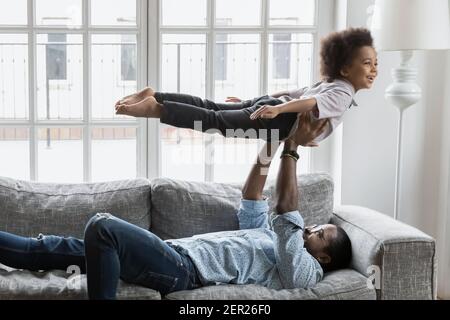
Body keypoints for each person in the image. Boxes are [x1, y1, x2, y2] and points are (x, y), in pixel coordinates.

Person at [0, 115, 352, 300]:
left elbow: (287, 211)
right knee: (43, 249)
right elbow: (251, 197)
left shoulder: (304, 271)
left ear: (323, 257)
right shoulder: (267, 233)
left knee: (102, 226)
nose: (310, 228)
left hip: (181, 270)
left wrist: (292, 147)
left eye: (319, 233)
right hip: (168, 253)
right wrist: (271, 145)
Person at [115, 27, 378, 143]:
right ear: (345, 68)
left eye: (375, 63)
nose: (374, 69)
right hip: (281, 120)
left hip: (273, 107)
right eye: (367, 63)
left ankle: (157, 95)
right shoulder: (343, 93)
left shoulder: (329, 83)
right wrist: (277, 111)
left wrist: (257, 101)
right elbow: (310, 103)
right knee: (215, 120)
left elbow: (293, 93)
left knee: (212, 107)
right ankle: (157, 108)